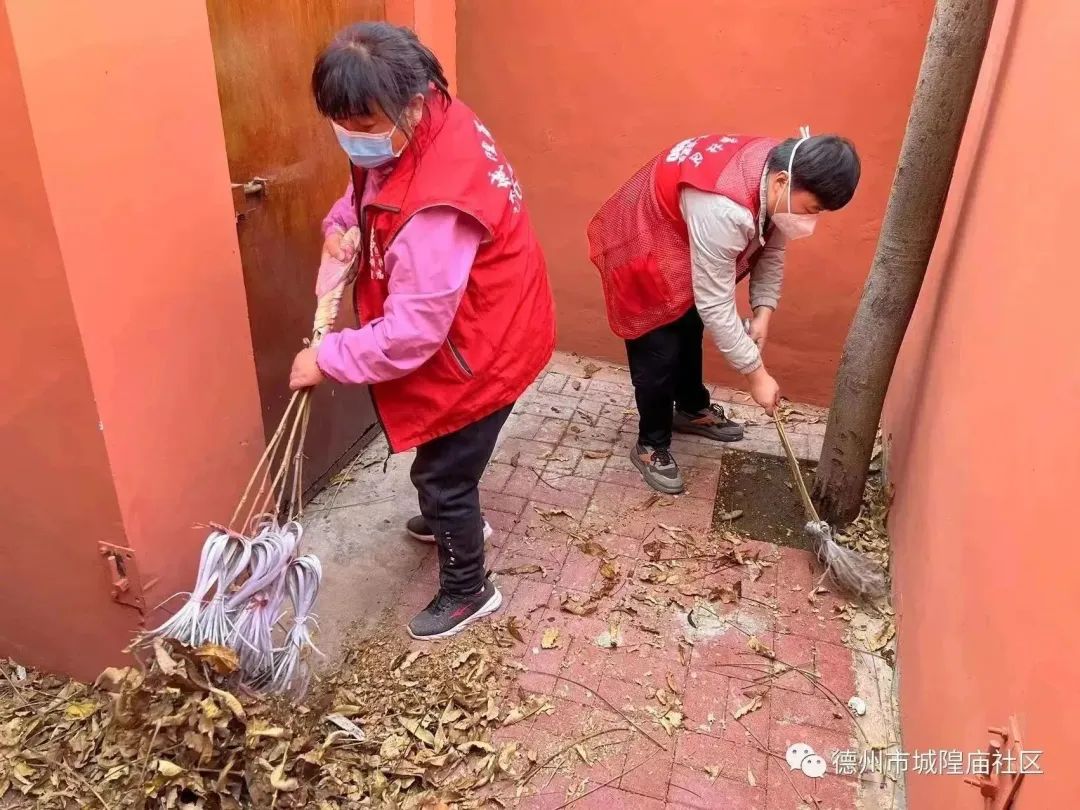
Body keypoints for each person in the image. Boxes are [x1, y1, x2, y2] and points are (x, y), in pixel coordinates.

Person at [288, 22, 556, 639]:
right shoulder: (429, 114)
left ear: (409, 101)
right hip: (493, 317)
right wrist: (342, 220)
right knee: (444, 466)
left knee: (443, 473)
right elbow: (373, 182)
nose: (352, 137)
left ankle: (469, 588)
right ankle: (446, 517)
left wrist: (326, 358)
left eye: (363, 123)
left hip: (485, 348)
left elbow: (412, 333)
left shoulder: (439, 206)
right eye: (342, 122)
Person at [587, 129, 860, 494]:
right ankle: (651, 445)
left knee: (689, 329)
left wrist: (763, 311)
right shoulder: (725, 207)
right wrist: (756, 375)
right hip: (643, 248)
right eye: (812, 209)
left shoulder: (776, 171)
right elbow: (715, 302)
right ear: (782, 181)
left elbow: (772, 249)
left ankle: (690, 408)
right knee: (658, 352)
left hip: (682, 244)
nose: (811, 221)